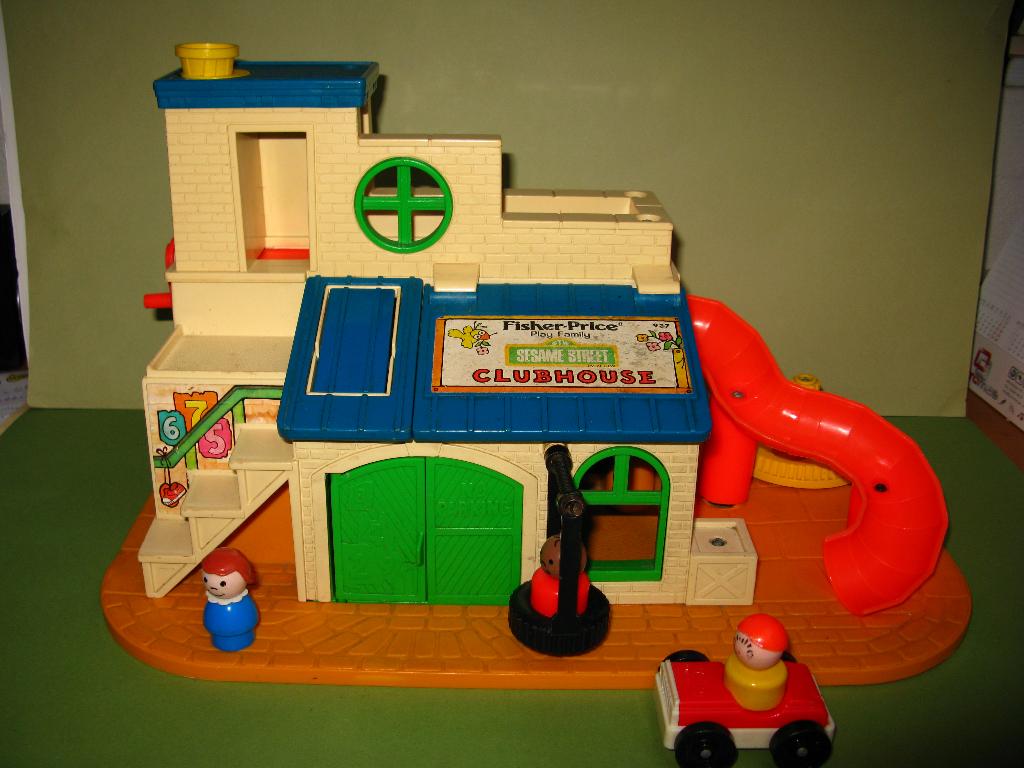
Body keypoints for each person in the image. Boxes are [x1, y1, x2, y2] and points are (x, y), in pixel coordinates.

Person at [723, 613, 789, 710]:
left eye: (747, 646)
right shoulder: (732, 664)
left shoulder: (773, 680)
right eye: (738, 639)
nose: (740, 649)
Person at [201, 547, 259, 651]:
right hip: (217, 636)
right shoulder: (213, 601)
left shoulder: (242, 601)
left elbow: (251, 617)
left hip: (245, 635)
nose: (213, 587)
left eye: (222, 583)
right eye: (206, 579)